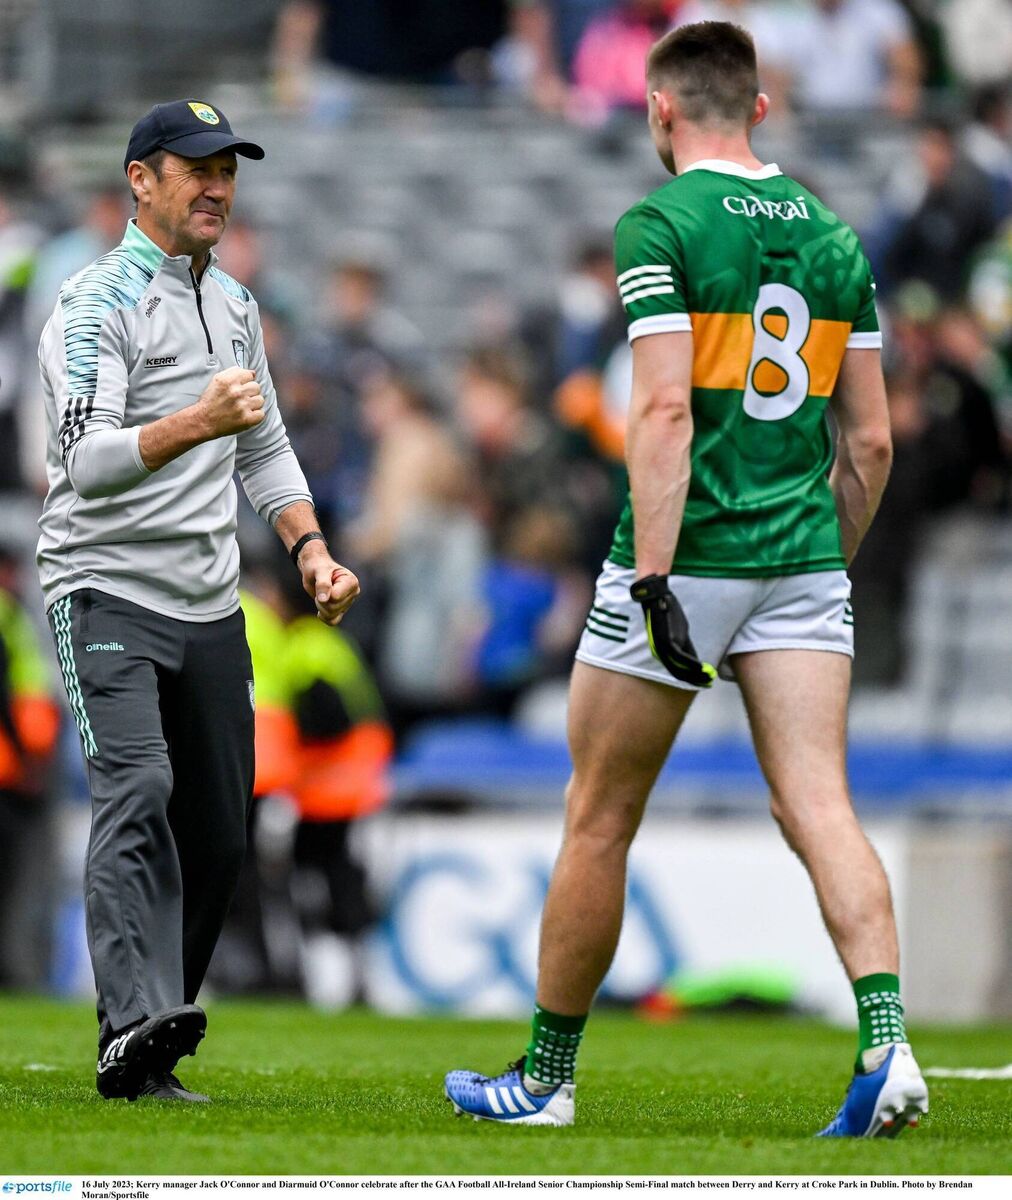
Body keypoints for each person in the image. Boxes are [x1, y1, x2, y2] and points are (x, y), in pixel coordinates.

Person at [444, 22, 929, 1138]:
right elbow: (871, 448)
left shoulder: (659, 222)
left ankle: (546, 1081)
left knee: (599, 815)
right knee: (820, 804)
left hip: (684, 552)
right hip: (803, 553)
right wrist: (816, 568)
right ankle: (887, 1042)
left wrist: (655, 580)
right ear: (758, 108)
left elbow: (661, 409)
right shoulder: (834, 235)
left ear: (660, 110)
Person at [35, 99, 359, 1102]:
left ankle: (150, 1038)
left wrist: (308, 547)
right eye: (196, 168)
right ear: (141, 179)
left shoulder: (238, 306)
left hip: (209, 602)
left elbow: (261, 444)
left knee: (221, 831)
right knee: (137, 792)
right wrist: (195, 418)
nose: (218, 185)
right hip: (104, 589)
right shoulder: (93, 306)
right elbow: (86, 464)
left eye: (229, 170)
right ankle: (128, 1025)